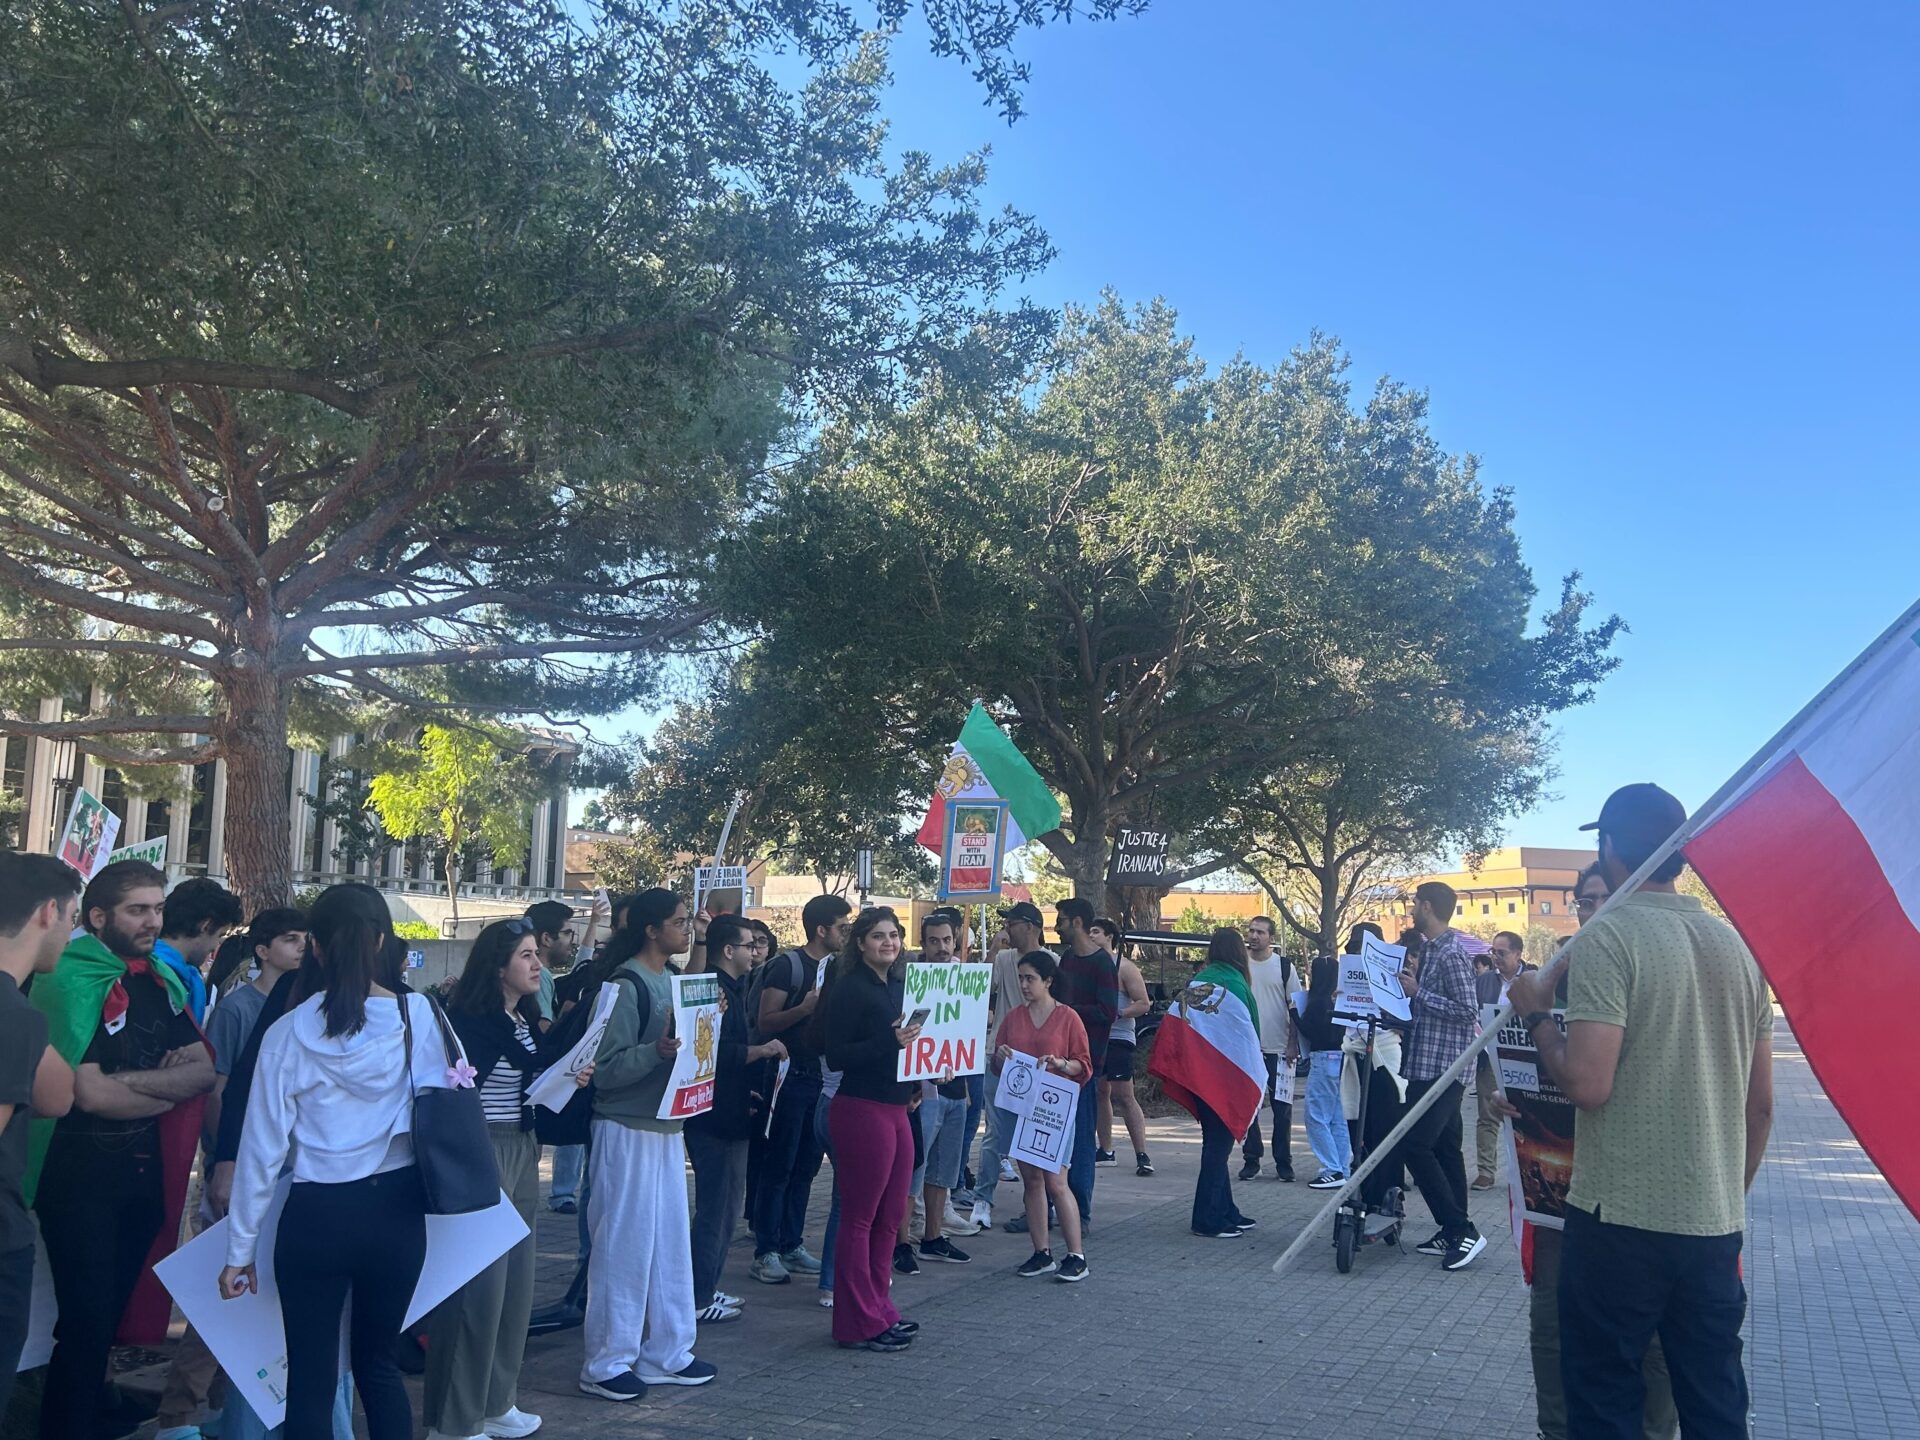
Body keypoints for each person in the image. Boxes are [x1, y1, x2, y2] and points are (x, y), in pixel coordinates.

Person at [1509, 785, 1771, 1439]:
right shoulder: (1738, 949)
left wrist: (1537, 1012)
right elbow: (1761, 1106)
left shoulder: (1608, 936)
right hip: (1712, 1226)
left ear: (1609, 847)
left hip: (1618, 1221)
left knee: (1604, 1404)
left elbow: (1588, 1082)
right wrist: (1720, 1199)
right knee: (1714, 1404)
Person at [218, 884, 440, 1440]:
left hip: (315, 1216)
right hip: (396, 1212)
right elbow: (445, 1107)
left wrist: (239, 1249)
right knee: (380, 1367)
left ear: (314, 947)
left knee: (310, 1382)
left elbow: (261, 1149)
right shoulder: (420, 1016)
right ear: (383, 941)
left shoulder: (287, 1031)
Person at [30, 859, 215, 1440]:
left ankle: (91, 1413)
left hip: (142, 1175)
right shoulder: (67, 977)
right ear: (98, 916)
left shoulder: (160, 978)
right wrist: (156, 1086)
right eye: (139, 909)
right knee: (84, 1322)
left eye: (158, 909)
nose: (153, 921)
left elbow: (204, 1071)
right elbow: (83, 1092)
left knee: (110, 1317)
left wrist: (129, 1086)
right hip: (76, 1176)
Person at [1503, 863, 1677, 1440]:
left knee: (1651, 1332)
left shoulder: (1655, 968)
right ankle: (1557, 1431)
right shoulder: (1549, 983)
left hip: (1637, 1191)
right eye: (1585, 902)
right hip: (1559, 1189)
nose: (1594, 911)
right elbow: (1502, 1064)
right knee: (1551, 1320)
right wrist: (1502, 1102)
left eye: (1606, 898)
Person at [427, 918, 591, 1440]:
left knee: (515, 1286)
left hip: (523, 1145)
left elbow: (535, 1071)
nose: (537, 964)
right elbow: (459, 1092)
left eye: (534, 954)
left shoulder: (522, 1016)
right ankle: (455, 1420)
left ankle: (497, 1400)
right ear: (498, 966)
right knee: (478, 1290)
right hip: (484, 1150)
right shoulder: (472, 1019)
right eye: (525, 956)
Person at [155, 905, 308, 1440]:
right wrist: (226, 1157)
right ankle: (179, 1413)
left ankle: (223, 1408)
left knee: (259, 1298)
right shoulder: (242, 1008)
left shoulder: (306, 1006)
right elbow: (221, 1089)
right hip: (240, 1168)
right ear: (262, 950)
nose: (300, 949)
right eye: (290, 940)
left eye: (305, 940)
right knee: (220, 1295)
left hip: (288, 1171)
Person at [577, 889, 715, 1400]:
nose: (688, 930)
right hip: (626, 1129)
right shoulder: (623, 986)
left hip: (666, 1127)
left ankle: (668, 1351)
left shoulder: (674, 980)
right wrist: (655, 1052)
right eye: (679, 923)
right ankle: (606, 1361)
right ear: (652, 929)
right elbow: (604, 1072)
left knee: (667, 1246)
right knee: (623, 1248)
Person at [820, 907, 921, 1351]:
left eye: (894, 935)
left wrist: (924, 1075)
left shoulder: (896, 987)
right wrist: (888, 1042)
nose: (889, 942)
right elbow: (835, 1055)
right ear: (859, 943)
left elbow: (913, 1046)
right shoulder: (849, 989)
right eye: (878, 935)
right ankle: (856, 1321)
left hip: (897, 1107)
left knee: (890, 1217)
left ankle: (879, 1309)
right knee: (860, 1218)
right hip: (861, 1109)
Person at [0, 854, 78, 1415]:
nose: (73, 935)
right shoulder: (13, 1015)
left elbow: (55, 1094)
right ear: (48, 912)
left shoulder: (19, 1010)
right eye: (74, 918)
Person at [686, 914, 786, 1324]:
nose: (756, 952)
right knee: (717, 1208)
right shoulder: (711, 987)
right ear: (729, 950)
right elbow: (712, 1051)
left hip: (732, 1110)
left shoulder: (736, 987)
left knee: (728, 1207)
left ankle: (705, 1285)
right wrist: (762, 1052)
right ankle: (696, 1294)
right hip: (713, 1119)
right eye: (749, 945)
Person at [749, 894, 849, 1285]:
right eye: (841, 926)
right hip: (785, 1075)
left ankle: (791, 1243)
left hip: (819, 1076)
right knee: (780, 1163)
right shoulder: (786, 967)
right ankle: (766, 1249)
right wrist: (805, 1008)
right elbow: (765, 1022)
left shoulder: (838, 968)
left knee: (807, 1166)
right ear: (821, 929)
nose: (846, 933)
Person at [1398, 880, 1488, 1271]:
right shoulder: (1432, 949)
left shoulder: (1451, 953)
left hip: (1446, 1067)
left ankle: (1461, 1227)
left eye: (1416, 903)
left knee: (1414, 1146)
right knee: (1446, 1148)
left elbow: (1468, 1011)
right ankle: (1453, 1234)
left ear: (1429, 907)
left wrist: (1418, 993)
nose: (1411, 909)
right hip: (1426, 1064)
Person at [992, 950, 1093, 1280]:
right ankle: (1041, 1252)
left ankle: (1076, 1254)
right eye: (1020, 978)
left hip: (1054, 1107)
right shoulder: (1013, 1018)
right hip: (1021, 1106)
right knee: (1032, 1179)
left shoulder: (1068, 1017)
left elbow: (1084, 1065)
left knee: (1056, 1181)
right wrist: (1002, 1056)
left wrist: (1061, 1064)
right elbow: (997, 1061)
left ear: (1048, 981)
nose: (1023, 985)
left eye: (1030, 978)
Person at [906, 911, 983, 1266]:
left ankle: (933, 1238)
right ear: (923, 942)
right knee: (913, 1172)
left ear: (956, 941)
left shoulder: (965, 976)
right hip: (921, 1091)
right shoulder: (909, 978)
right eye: (934, 940)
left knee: (944, 1172)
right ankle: (901, 1242)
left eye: (947, 940)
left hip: (956, 1088)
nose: (941, 947)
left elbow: (977, 1024)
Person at [1182, 929, 1261, 1239]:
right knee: (1218, 1148)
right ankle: (1206, 1218)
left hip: (1202, 1076)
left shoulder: (1198, 982)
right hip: (1228, 1077)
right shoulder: (1237, 984)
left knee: (1216, 1144)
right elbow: (1250, 1034)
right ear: (1239, 952)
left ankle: (1226, 1209)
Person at [976, 900, 1048, 1230]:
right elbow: (980, 987)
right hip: (1000, 1056)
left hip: (1037, 1063)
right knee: (995, 1131)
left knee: (1034, 1135)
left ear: (1031, 926)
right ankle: (982, 1198)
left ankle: (1037, 1205)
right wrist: (992, 948)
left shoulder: (1053, 963)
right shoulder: (1004, 959)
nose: (1008, 929)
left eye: (1014, 923)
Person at [1048, 897, 1118, 1233]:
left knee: (1081, 1140)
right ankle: (1050, 1205)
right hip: (1058, 1063)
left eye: (1060, 921)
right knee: (1052, 1135)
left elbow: (1108, 1012)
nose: (1057, 927)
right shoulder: (1067, 959)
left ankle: (1081, 1211)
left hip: (1087, 1065)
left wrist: (1070, 1010)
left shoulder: (1103, 963)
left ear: (1077, 922)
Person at [525, 898, 591, 1218]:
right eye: (566, 933)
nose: (571, 940)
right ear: (546, 939)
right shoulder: (543, 976)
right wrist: (570, 1020)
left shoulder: (547, 976)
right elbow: (544, 1032)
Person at [1091, 917, 1153, 1177]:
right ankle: (1105, 1150)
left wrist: (1119, 1013)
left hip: (1118, 1038)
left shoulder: (1125, 967)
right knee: (1099, 1093)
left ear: (1109, 936)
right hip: (1094, 1038)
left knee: (1124, 1095)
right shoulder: (1087, 967)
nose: (1091, 936)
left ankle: (1142, 1155)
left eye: (1096, 932)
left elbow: (1144, 1003)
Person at [1471, 930, 1532, 1191]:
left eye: (1502, 952)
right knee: (1487, 1115)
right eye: (1493, 952)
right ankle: (1486, 1170)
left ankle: (1528, 1172)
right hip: (1490, 1057)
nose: (1495, 957)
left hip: (1524, 1058)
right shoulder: (1484, 981)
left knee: (1525, 1117)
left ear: (1518, 954)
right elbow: (1473, 1010)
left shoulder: (1534, 979)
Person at [1239, 915, 1296, 1182]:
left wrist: (1293, 1043)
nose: (1254, 936)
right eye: (1251, 931)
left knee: (1282, 1109)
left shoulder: (1284, 967)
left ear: (1271, 937)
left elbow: (1295, 1007)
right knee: (1249, 1105)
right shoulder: (1240, 966)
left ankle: (1284, 1162)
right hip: (1248, 1048)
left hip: (1280, 1049)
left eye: (1260, 932)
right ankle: (1252, 1160)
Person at [154, 876, 244, 1025]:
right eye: (219, 935)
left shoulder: (180, 974)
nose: (216, 946)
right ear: (206, 927)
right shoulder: (154, 975)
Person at [1298, 946, 1352, 1189]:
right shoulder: (1341, 999)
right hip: (1341, 1058)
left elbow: (1311, 1031)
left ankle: (1331, 1168)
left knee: (1316, 1116)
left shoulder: (1317, 1001)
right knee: (1337, 1117)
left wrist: (1294, 1014)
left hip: (1322, 1058)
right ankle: (1343, 1166)